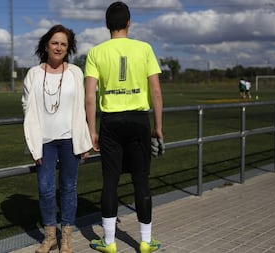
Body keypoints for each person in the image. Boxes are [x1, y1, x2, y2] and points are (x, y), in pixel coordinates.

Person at [84, 2, 163, 253]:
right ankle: (145, 241)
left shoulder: (95, 52)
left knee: (110, 180)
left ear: (107, 25)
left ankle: (108, 243)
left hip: (111, 121)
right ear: (129, 23)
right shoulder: (145, 48)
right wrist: (158, 126)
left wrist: (91, 130)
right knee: (141, 179)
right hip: (139, 120)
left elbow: (89, 97)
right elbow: (156, 91)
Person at [21, 24, 92, 253]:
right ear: (46, 45)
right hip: (44, 141)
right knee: (45, 189)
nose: (59, 47)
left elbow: (81, 107)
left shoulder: (75, 72)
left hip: (69, 139)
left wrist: (83, 140)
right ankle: (49, 236)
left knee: (69, 188)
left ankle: (66, 238)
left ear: (68, 48)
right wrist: (33, 137)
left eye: (63, 44)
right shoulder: (33, 74)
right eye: (55, 43)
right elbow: (26, 104)